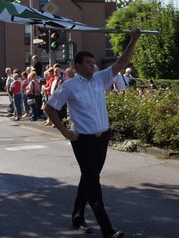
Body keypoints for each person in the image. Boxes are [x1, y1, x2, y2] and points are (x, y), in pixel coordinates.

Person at [44, 28, 141, 238]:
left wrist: (132, 40)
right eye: (88, 62)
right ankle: (108, 230)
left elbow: (122, 63)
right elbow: (49, 108)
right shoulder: (68, 86)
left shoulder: (100, 79)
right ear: (78, 66)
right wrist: (64, 131)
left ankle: (77, 217)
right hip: (83, 141)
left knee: (89, 178)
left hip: (102, 138)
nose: (92, 64)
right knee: (94, 185)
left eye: (93, 62)